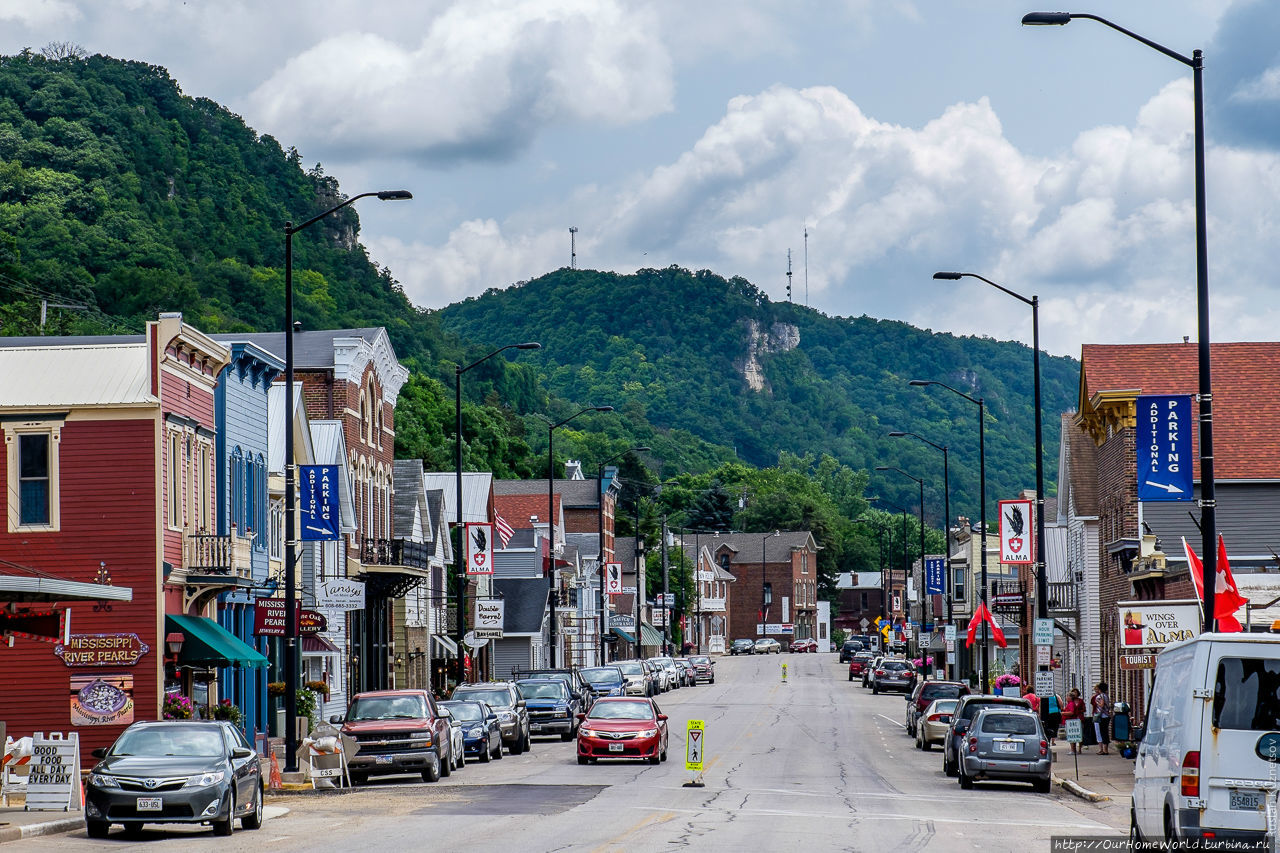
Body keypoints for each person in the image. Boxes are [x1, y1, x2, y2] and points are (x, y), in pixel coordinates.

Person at [1091, 682, 1113, 755]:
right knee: (1105, 732)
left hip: (1102, 716)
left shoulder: (1100, 696)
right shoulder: (1106, 696)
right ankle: (1105, 748)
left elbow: (1101, 705)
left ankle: (1105, 750)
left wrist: (1097, 703)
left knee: (1103, 733)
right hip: (1107, 716)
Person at [1063, 688, 1086, 755]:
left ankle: (1078, 749)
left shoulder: (1074, 703)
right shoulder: (1070, 703)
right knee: (1072, 735)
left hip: (1077, 719)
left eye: (1067, 696)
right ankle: (1073, 749)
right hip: (1071, 720)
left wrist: (1062, 713)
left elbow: (1072, 712)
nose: (1066, 698)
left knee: (1078, 734)